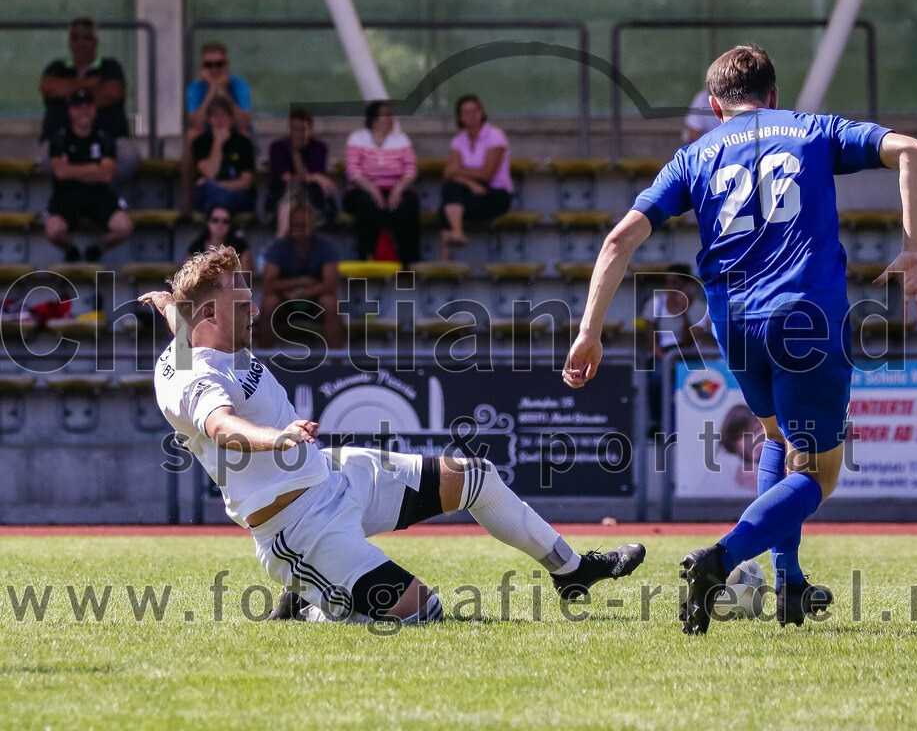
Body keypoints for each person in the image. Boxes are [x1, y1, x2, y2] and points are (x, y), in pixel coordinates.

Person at [562, 44, 917, 634]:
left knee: (774, 437)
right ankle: (721, 561)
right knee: (817, 474)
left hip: (734, 324)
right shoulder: (813, 129)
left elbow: (617, 242)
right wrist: (915, 247)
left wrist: (589, 332)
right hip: (805, 319)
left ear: (714, 105)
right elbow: (911, 151)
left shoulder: (693, 156)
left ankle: (789, 584)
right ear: (774, 96)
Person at [139, 247, 645, 626]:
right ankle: (313, 603)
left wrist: (166, 303)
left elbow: (179, 318)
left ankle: (571, 570)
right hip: (296, 528)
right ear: (207, 317)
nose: (254, 311)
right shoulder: (192, 378)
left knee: (475, 477)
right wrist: (279, 438)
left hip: (333, 476)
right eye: (242, 303)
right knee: (421, 613)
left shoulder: (195, 334)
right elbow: (222, 425)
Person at [39, 17, 138, 187]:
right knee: (46, 159)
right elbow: (49, 87)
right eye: (75, 38)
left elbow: (113, 92)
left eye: (86, 38)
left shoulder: (110, 67)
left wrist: (69, 90)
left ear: (95, 42)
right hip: (61, 142)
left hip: (110, 141)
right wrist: (91, 84)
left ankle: (102, 198)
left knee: (128, 157)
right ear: (70, 42)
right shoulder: (56, 67)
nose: (81, 43)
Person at [44, 88, 133, 262]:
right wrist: (94, 168)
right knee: (53, 230)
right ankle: (72, 249)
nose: (83, 110)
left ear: (94, 109)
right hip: (67, 194)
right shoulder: (60, 137)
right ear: (70, 111)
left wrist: (73, 168)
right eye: (78, 106)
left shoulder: (104, 137)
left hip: (98, 194)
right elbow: (61, 173)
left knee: (125, 226)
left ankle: (96, 249)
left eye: (88, 105)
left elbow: (106, 175)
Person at [342, 100, 420, 267]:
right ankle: (367, 259)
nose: (391, 118)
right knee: (368, 206)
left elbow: (410, 170)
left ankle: (408, 264)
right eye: (386, 114)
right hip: (363, 189)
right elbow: (353, 170)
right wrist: (372, 190)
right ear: (374, 119)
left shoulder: (401, 139)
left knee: (405, 207)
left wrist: (398, 190)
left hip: (396, 189)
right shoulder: (357, 138)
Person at [259, 203, 344, 350]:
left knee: (330, 302)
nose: (300, 229)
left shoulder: (327, 246)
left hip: (315, 303)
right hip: (285, 302)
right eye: (296, 225)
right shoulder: (278, 247)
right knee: (268, 302)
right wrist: (301, 282)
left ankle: (337, 365)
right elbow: (268, 284)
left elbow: (330, 284)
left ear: (312, 225)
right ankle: (264, 364)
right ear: (289, 226)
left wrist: (304, 293)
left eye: (303, 225)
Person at [439, 95, 512, 260]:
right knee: (450, 192)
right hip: (471, 192)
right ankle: (456, 233)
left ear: (481, 112)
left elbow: (486, 174)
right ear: (460, 117)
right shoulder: (458, 140)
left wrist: (460, 171)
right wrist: (471, 183)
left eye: (475, 110)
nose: (471, 115)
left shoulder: (495, 136)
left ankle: (446, 256)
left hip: (495, 193)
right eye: (466, 112)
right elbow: (448, 174)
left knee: (447, 205)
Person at [642, 264, 709, 430]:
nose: (670, 288)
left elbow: (690, 342)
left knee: (702, 381)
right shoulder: (655, 304)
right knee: (657, 376)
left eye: (675, 283)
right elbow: (651, 342)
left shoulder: (700, 308)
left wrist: (684, 312)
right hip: (662, 353)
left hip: (689, 353)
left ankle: (696, 423)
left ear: (687, 286)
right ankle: (656, 422)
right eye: (667, 283)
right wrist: (665, 359)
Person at [268, 107, 337, 224]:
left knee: (298, 192)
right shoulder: (277, 147)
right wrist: (314, 177)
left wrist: (296, 152)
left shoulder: (319, 147)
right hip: (282, 195)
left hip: (311, 197)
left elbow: (309, 178)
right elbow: (285, 176)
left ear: (311, 130)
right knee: (294, 192)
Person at [191, 97, 255, 216]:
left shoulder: (244, 143)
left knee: (215, 194)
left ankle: (216, 227)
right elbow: (210, 173)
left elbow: (245, 182)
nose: (219, 120)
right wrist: (218, 142)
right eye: (215, 116)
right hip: (208, 195)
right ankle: (221, 225)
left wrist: (218, 185)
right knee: (209, 192)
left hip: (235, 195)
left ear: (231, 119)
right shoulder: (200, 143)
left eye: (224, 115)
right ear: (209, 119)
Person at [187, 205, 253, 279]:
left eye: (225, 221)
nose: (220, 225)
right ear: (207, 223)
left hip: (232, 290)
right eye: (215, 220)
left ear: (231, 225)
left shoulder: (241, 248)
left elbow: (245, 283)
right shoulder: (196, 247)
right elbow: (190, 281)